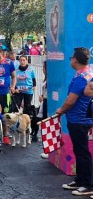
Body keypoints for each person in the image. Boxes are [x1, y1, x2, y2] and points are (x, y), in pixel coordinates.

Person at [56, 47, 93, 196]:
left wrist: (61, 110)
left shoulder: (81, 78)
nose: (70, 59)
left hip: (79, 120)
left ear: (75, 60)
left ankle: (88, 184)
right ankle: (80, 180)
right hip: (82, 118)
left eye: (71, 57)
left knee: (82, 152)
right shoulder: (88, 72)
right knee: (79, 151)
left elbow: (71, 100)